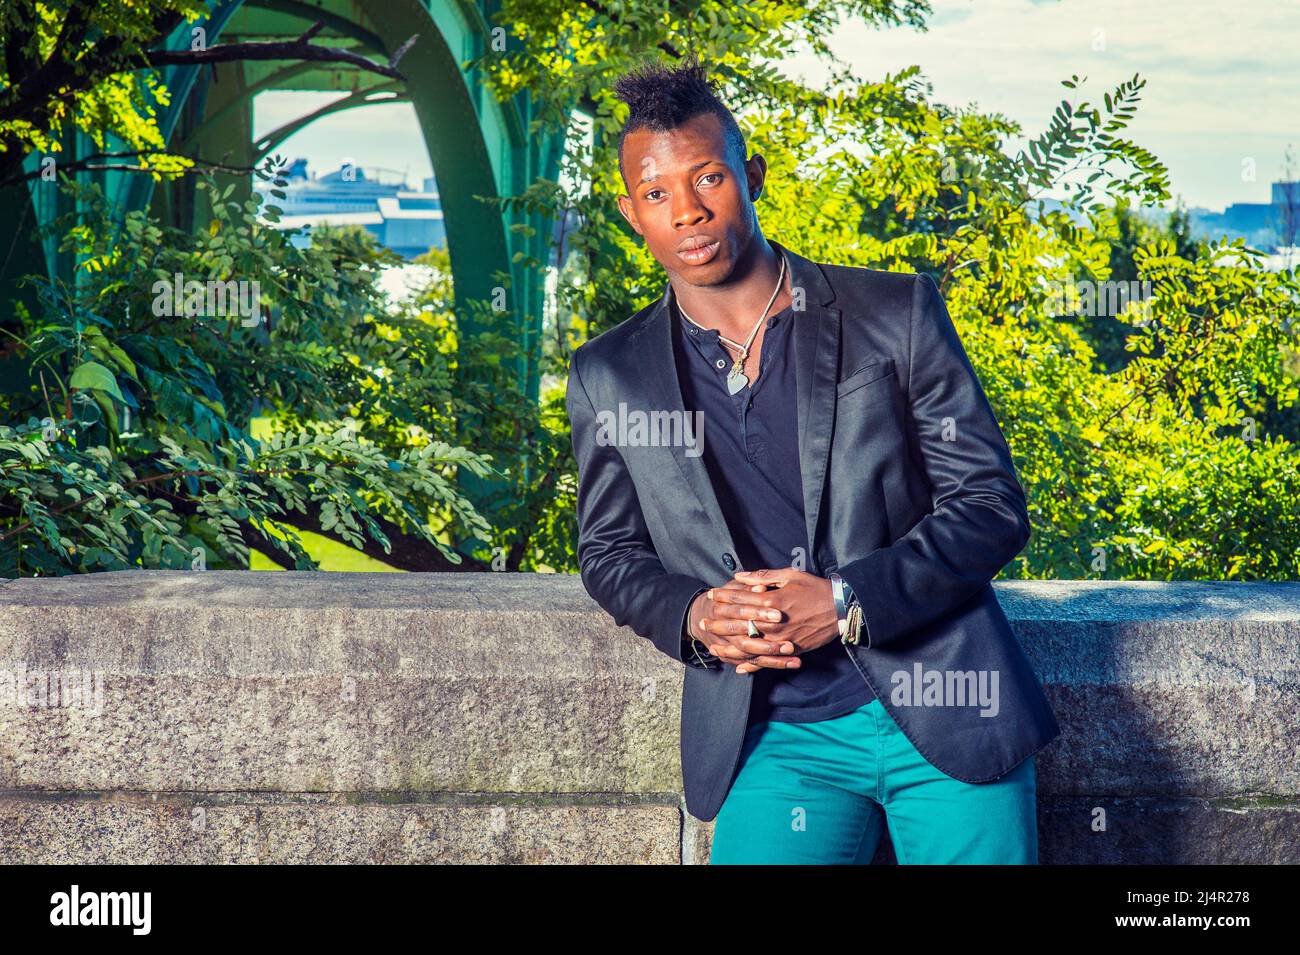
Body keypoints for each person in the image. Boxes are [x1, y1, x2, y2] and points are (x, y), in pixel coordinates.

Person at [565, 55, 1060, 864]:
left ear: (751, 175)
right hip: (774, 735)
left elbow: (989, 504)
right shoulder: (608, 373)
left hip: (946, 706)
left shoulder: (892, 313)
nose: (686, 212)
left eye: (709, 179)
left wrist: (846, 600)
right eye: (657, 194)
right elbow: (609, 551)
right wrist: (693, 615)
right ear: (632, 213)